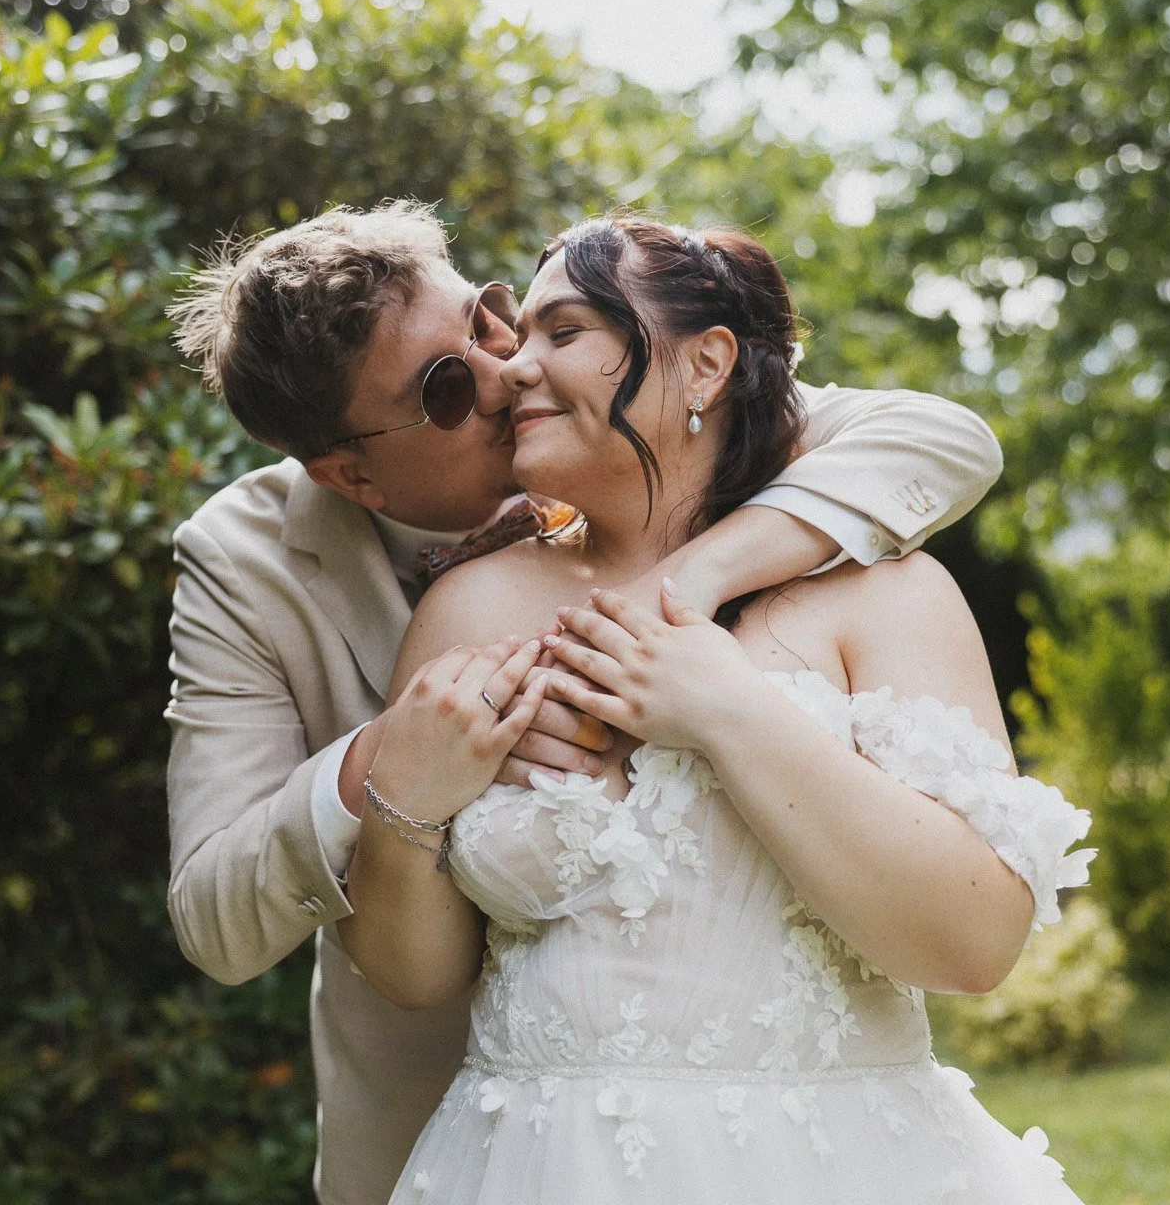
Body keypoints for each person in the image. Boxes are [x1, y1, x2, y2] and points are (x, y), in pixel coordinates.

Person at [162, 201, 1009, 1203]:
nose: (506, 367)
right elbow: (220, 913)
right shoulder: (260, 564)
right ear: (351, 472)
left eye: (495, 318)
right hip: (491, 1140)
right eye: (444, 387)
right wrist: (397, 765)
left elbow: (939, 436)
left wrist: (681, 598)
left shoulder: (785, 481)